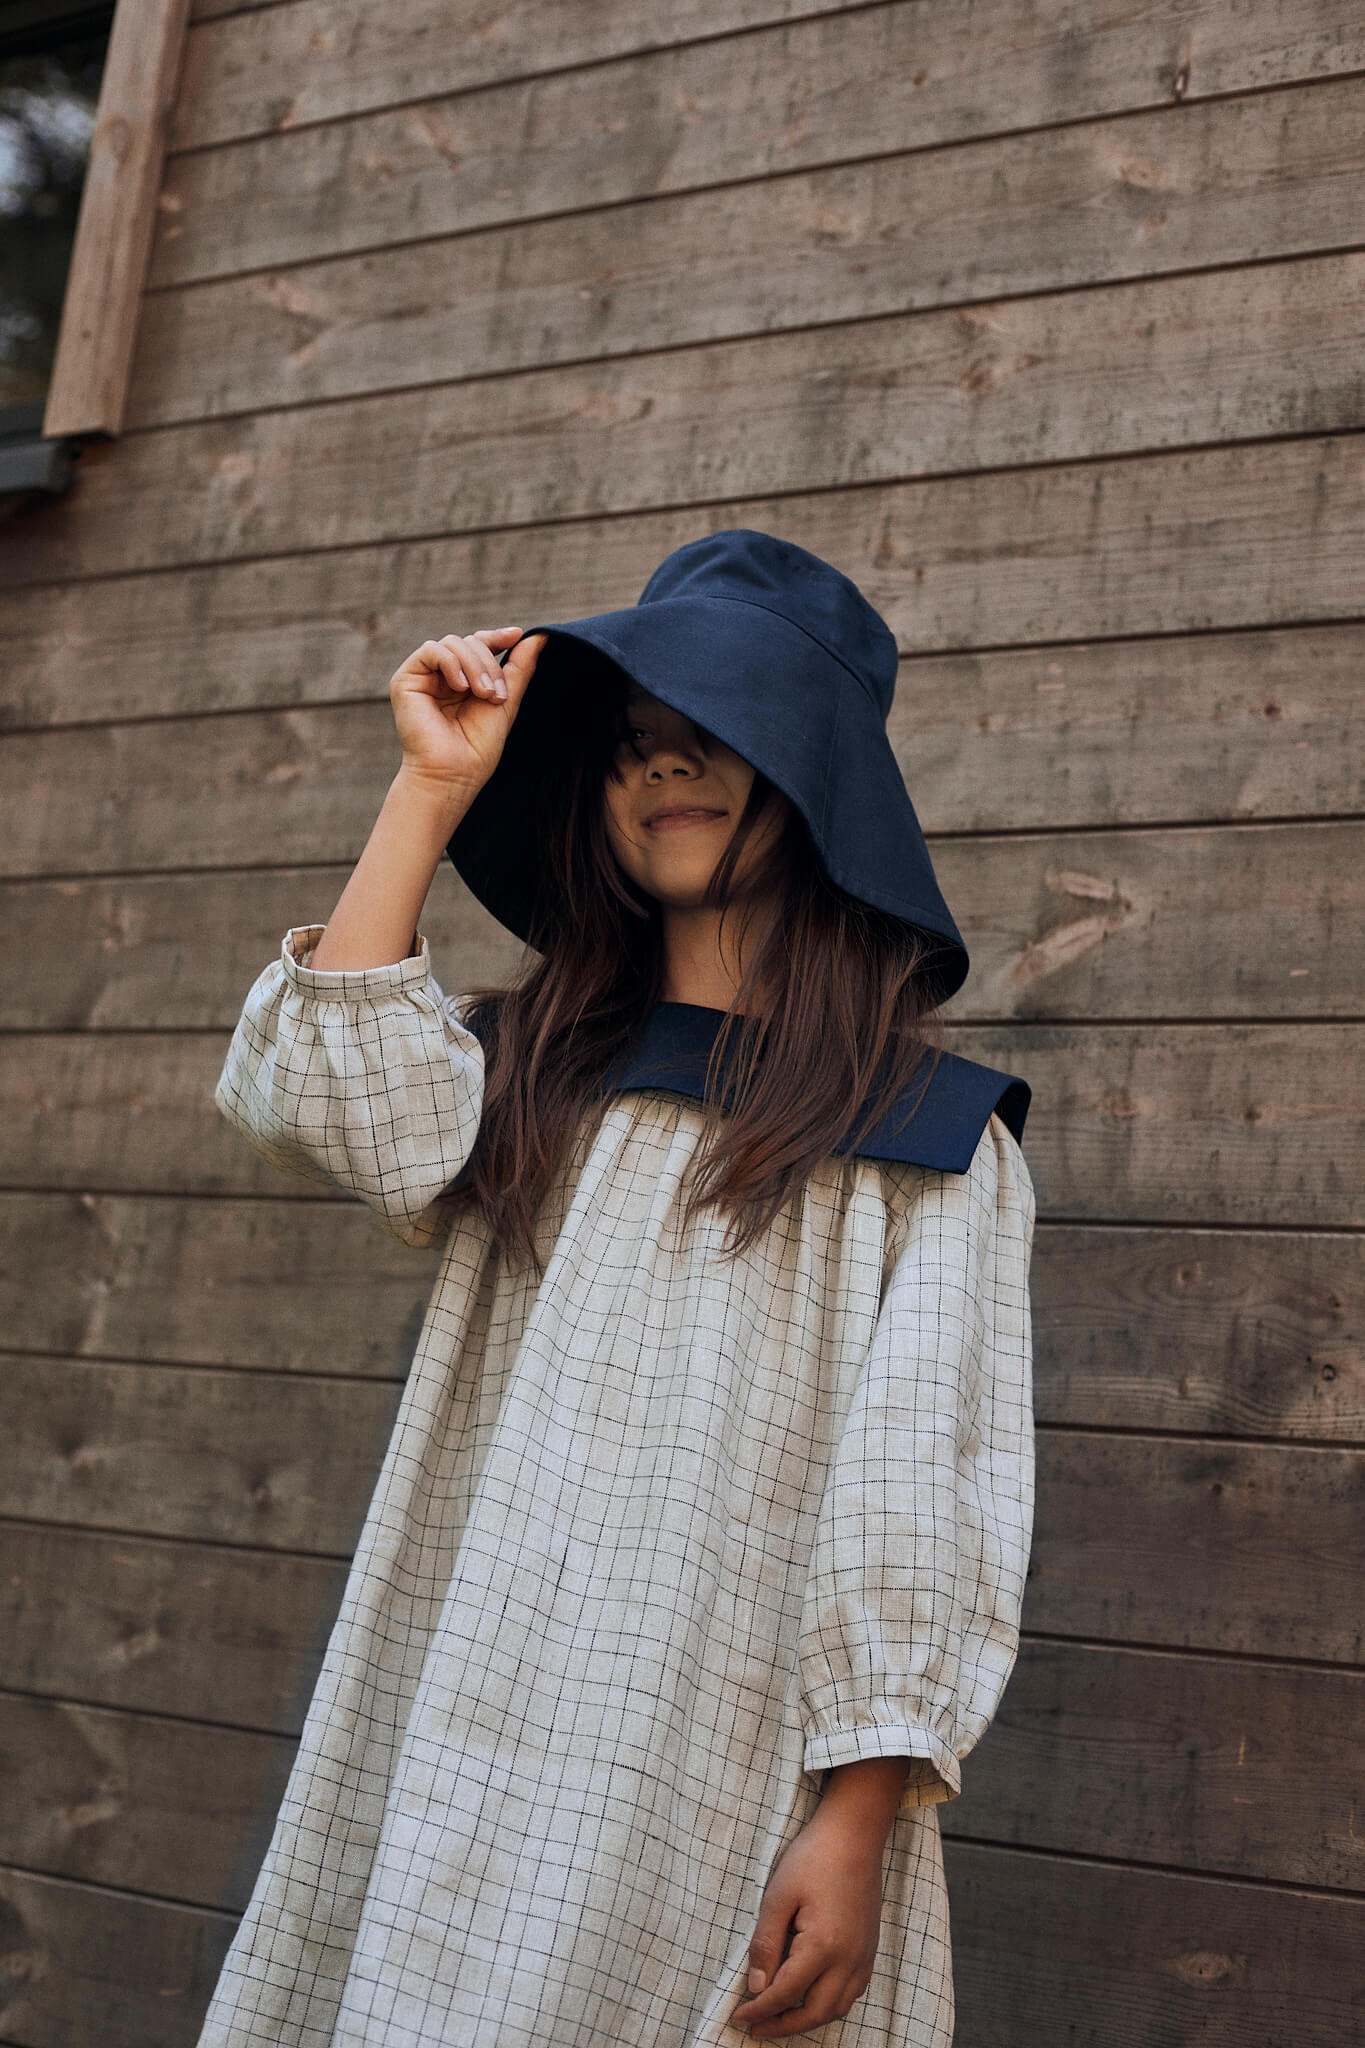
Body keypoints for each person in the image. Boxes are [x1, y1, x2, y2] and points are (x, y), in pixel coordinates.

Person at [197, 529, 1036, 2048]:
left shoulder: (925, 1141)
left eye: (718, 734)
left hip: (723, 1751)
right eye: (634, 743)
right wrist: (431, 791)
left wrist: (852, 1823)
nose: (666, 766)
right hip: (462, 1694)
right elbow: (317, 1099)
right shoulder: (524, 1072)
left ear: (813, 777)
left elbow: (917, 1495)